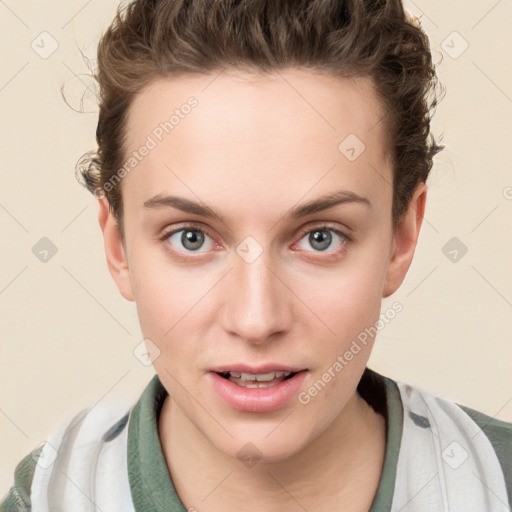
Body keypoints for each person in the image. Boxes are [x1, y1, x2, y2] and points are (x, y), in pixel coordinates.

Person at [2, 0, 511, 511]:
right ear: (119, 247)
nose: (256, 319)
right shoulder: (49, 496)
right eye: (192, 238)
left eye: (320, 238)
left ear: (402, 236)